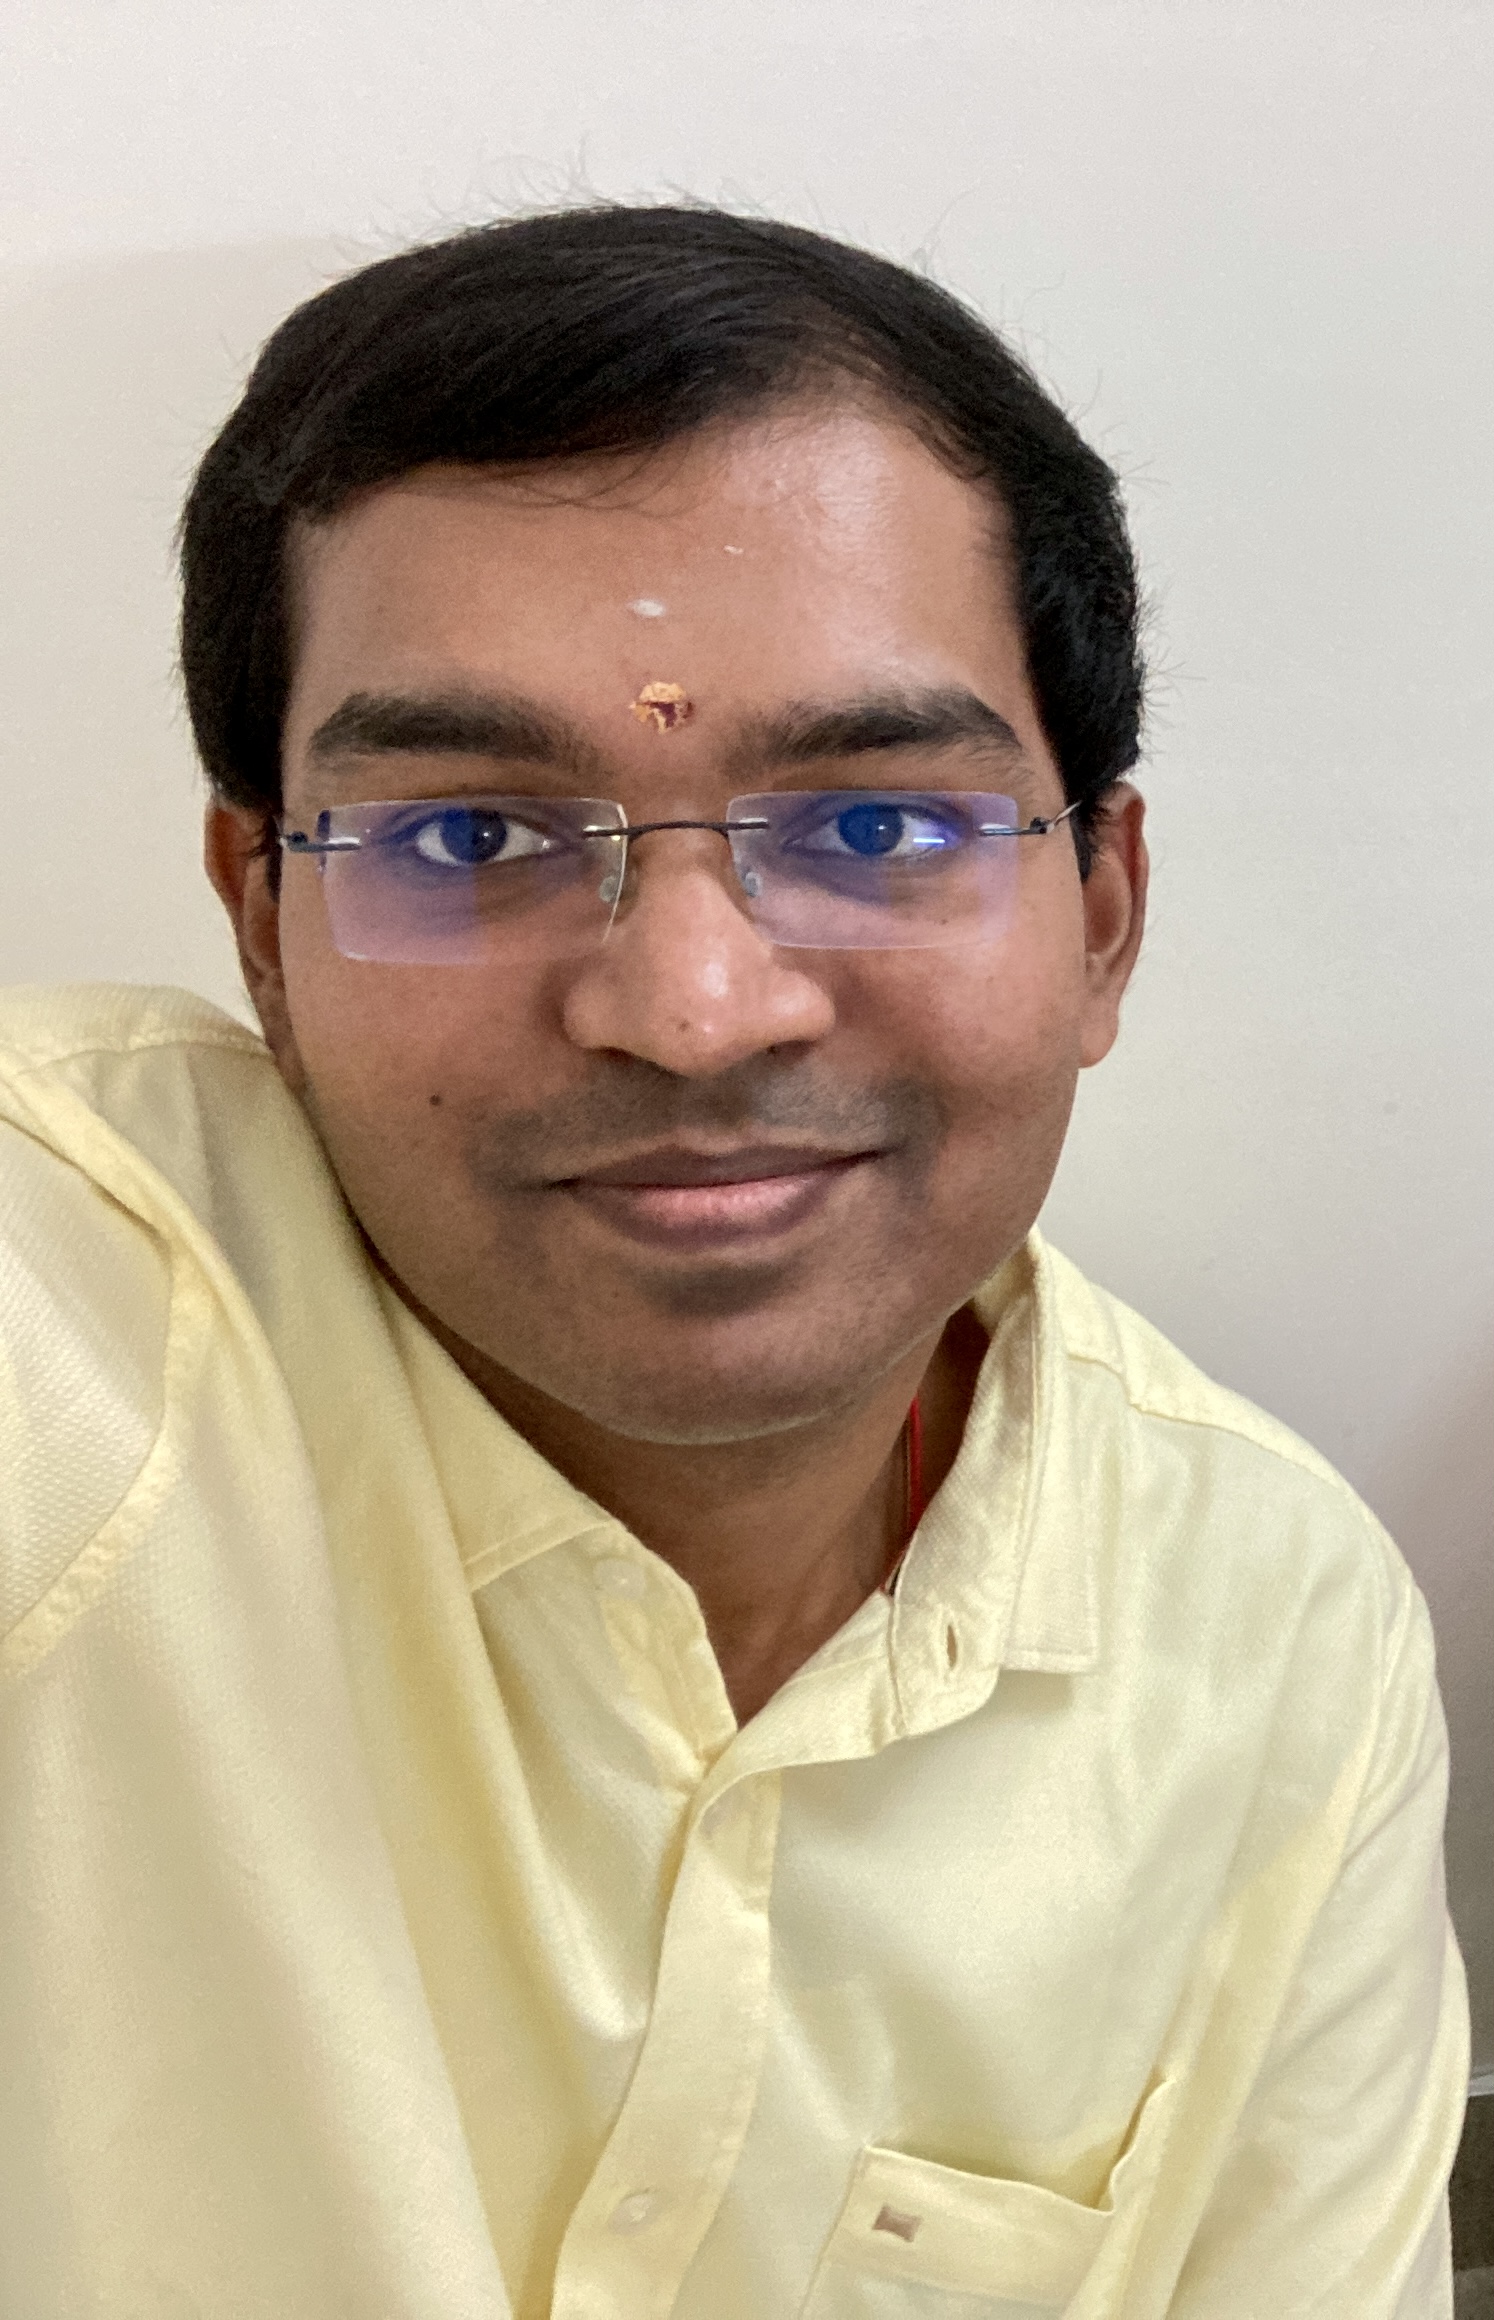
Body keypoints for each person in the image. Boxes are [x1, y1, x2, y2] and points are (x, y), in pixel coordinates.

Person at [0, 204, 1468, 2318]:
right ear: (264, 931)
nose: (692, 1012)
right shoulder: (75, 1313)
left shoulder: (1276, 1639)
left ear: (1103, 915)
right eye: (470, 837)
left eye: (874, 826)